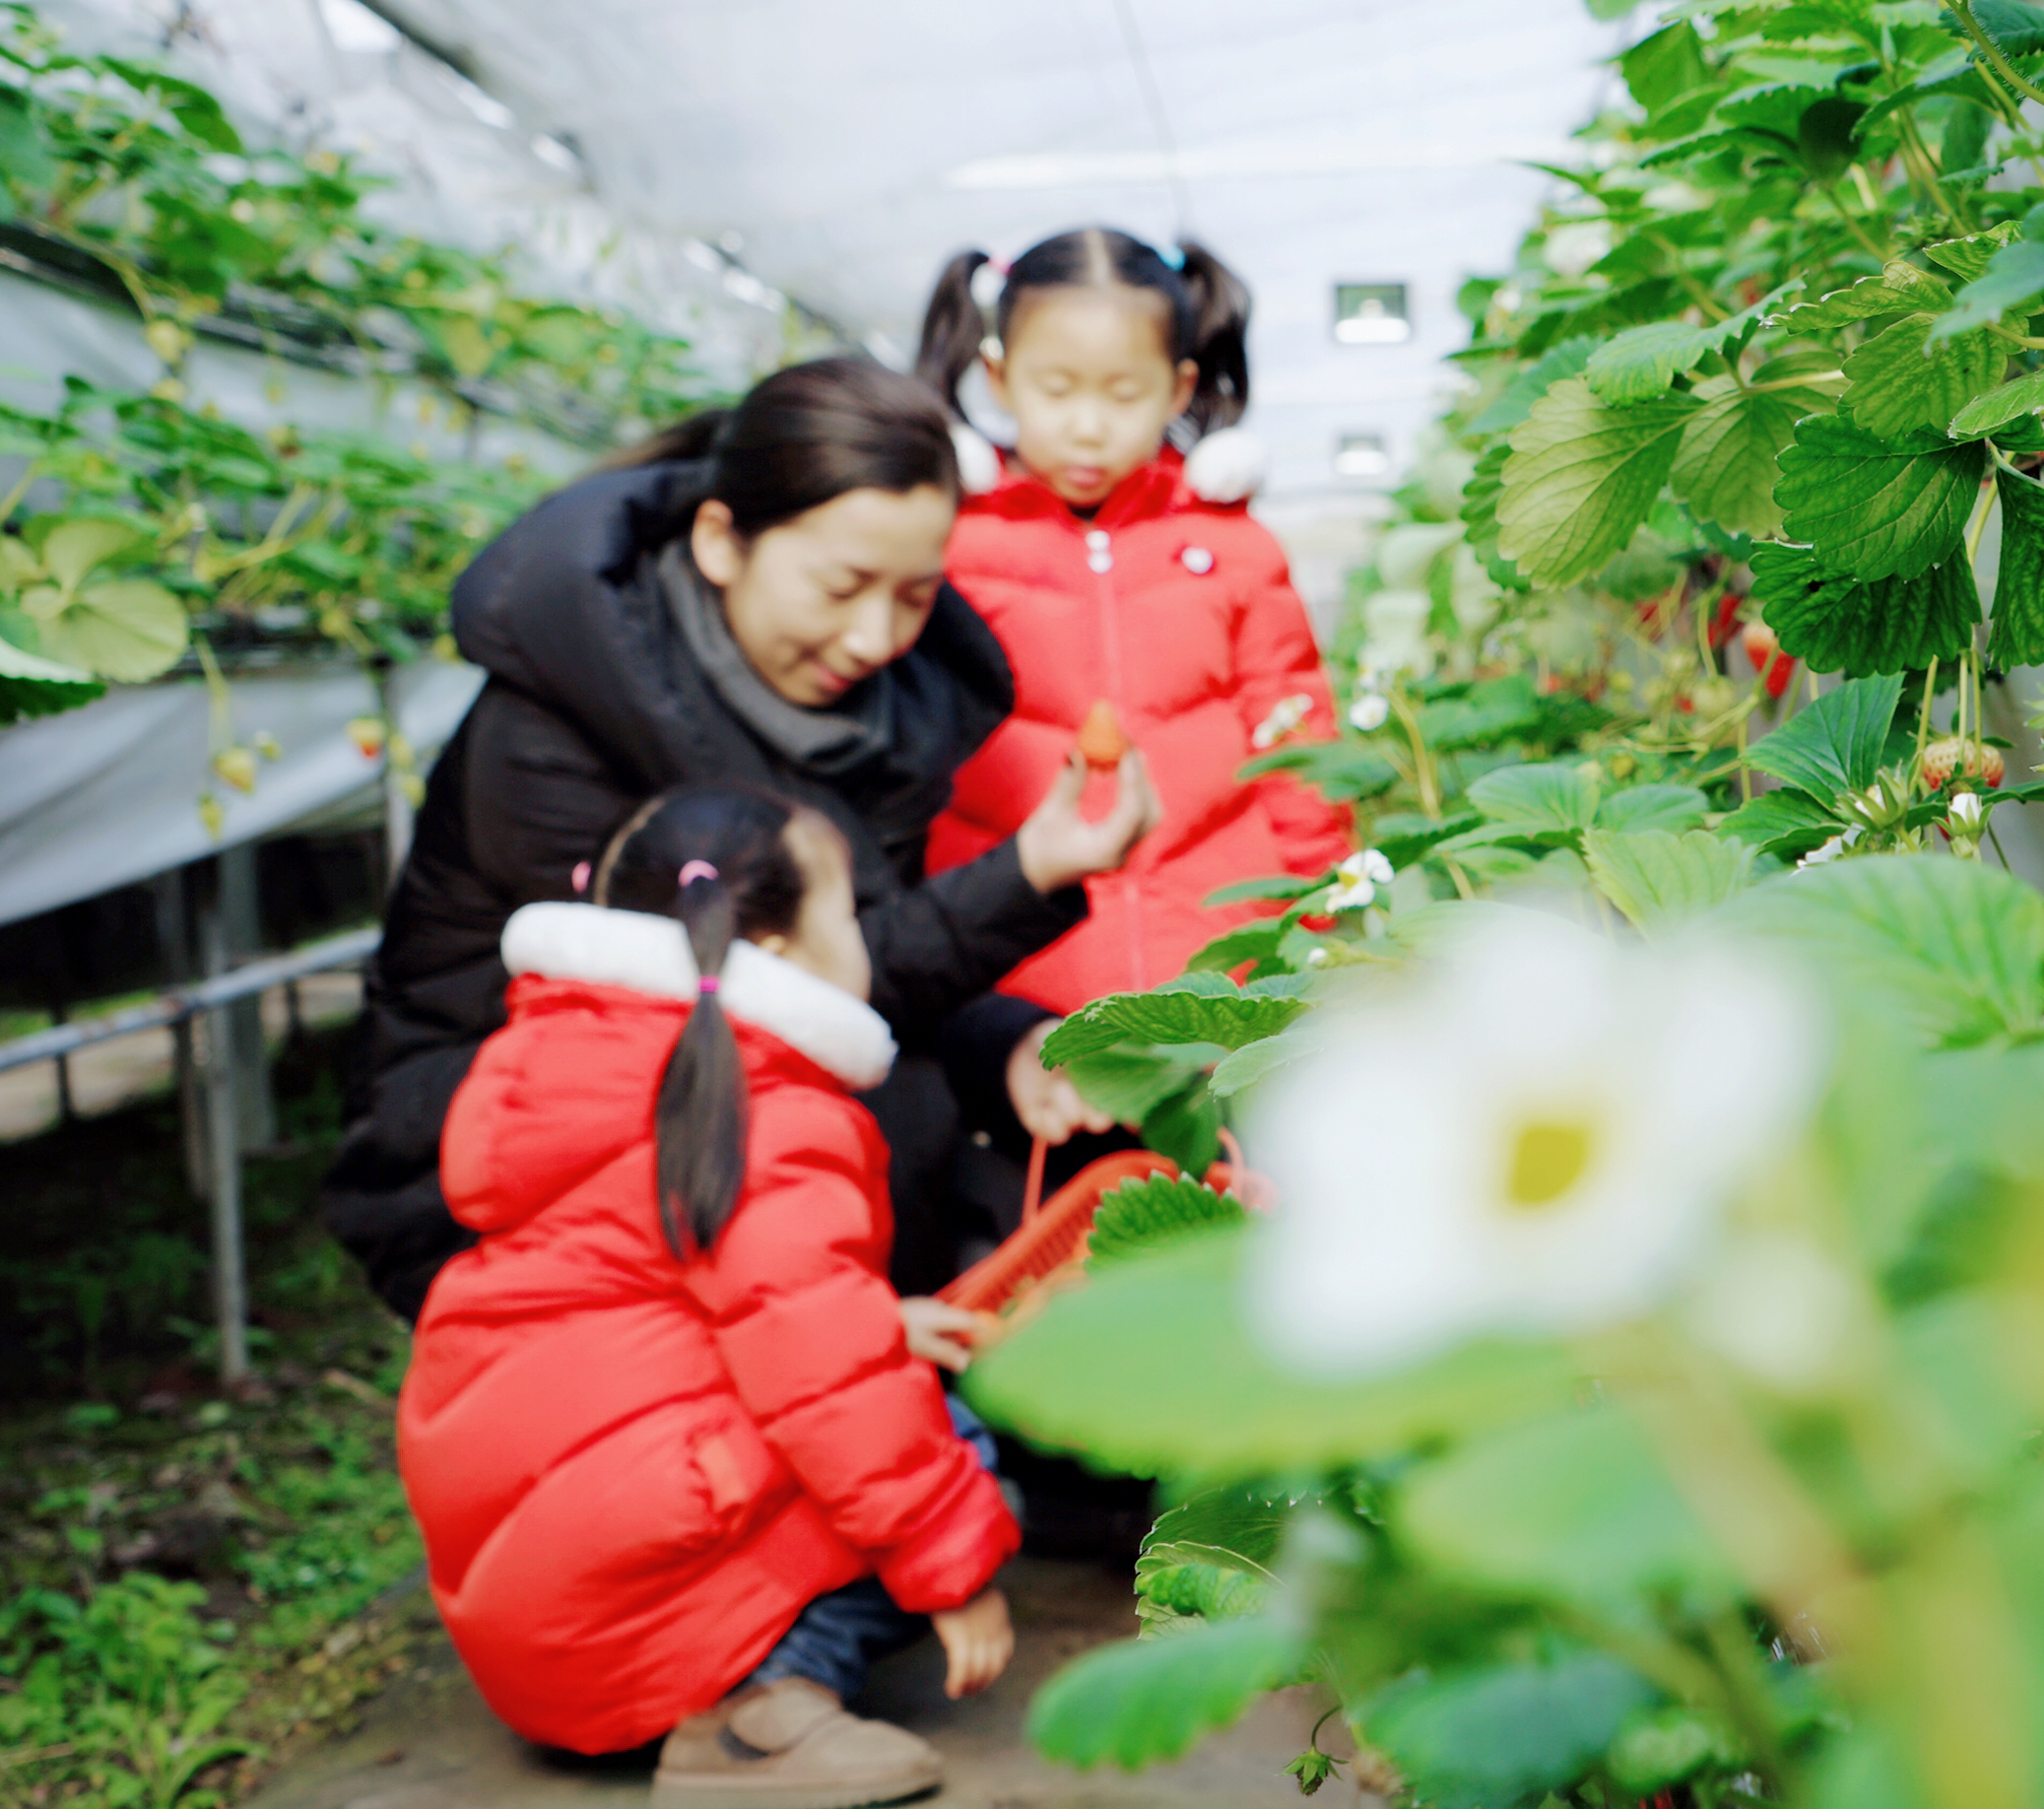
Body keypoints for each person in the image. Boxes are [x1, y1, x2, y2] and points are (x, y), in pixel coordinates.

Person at [322, 357, 1160, 1317]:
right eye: (842, 585)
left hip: (723, 1113)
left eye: (916, 596)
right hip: (501, 1168)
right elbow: (762, 994)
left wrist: (1008, 1046)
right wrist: (1022, 876)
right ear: (722, 542)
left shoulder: (863, 715)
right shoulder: (554, 732)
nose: (876, 637)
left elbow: (853, 945)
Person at [402, 786, 1014, 1806]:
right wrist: (954, 1569)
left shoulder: (548, 1061)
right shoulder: (767, 1103)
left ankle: (720, 1667)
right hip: (627, 1615)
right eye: (850, 912)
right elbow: (825, 1376)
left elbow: (661, 1301)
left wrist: (881, 1325)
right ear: (774, 951)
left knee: (872, 1380)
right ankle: (757, 1713)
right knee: (957, 1445)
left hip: (536, 1619)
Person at [911, 230, 1352, 1152]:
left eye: (1123, 394)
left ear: (1180, 391)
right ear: (997, 378)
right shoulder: (951, 549)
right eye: (1055, 388)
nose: (1087, 425)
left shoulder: (1233, 550)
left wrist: (1324, 940)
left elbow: (1297, 751)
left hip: (1221, 984)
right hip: (1028, 999)